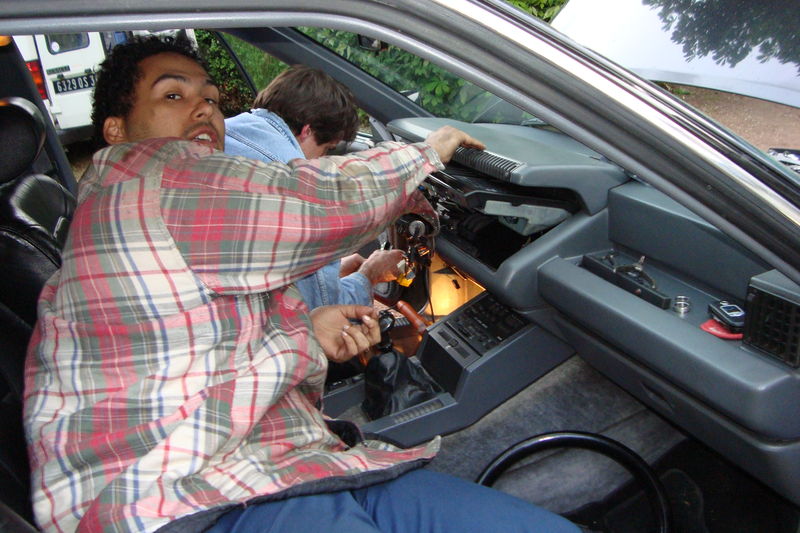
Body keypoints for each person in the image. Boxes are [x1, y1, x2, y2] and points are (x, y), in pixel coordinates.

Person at [23, 36, 580, 533]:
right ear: (116, 130)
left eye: (213, 98)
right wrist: (427, 152)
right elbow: (323, 202)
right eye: (173, 95)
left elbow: (192, 336)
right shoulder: (151, 176)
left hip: (277, 460)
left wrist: (304, 334)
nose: (203, 108)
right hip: (174, 493)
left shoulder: (135, 196)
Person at [225, 65, 404, 312]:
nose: (321, 161)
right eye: (326, 150)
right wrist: (369, 274)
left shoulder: (221, 132)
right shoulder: (300, 191)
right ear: (307, 131)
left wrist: (329, 273)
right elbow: (324, 313)